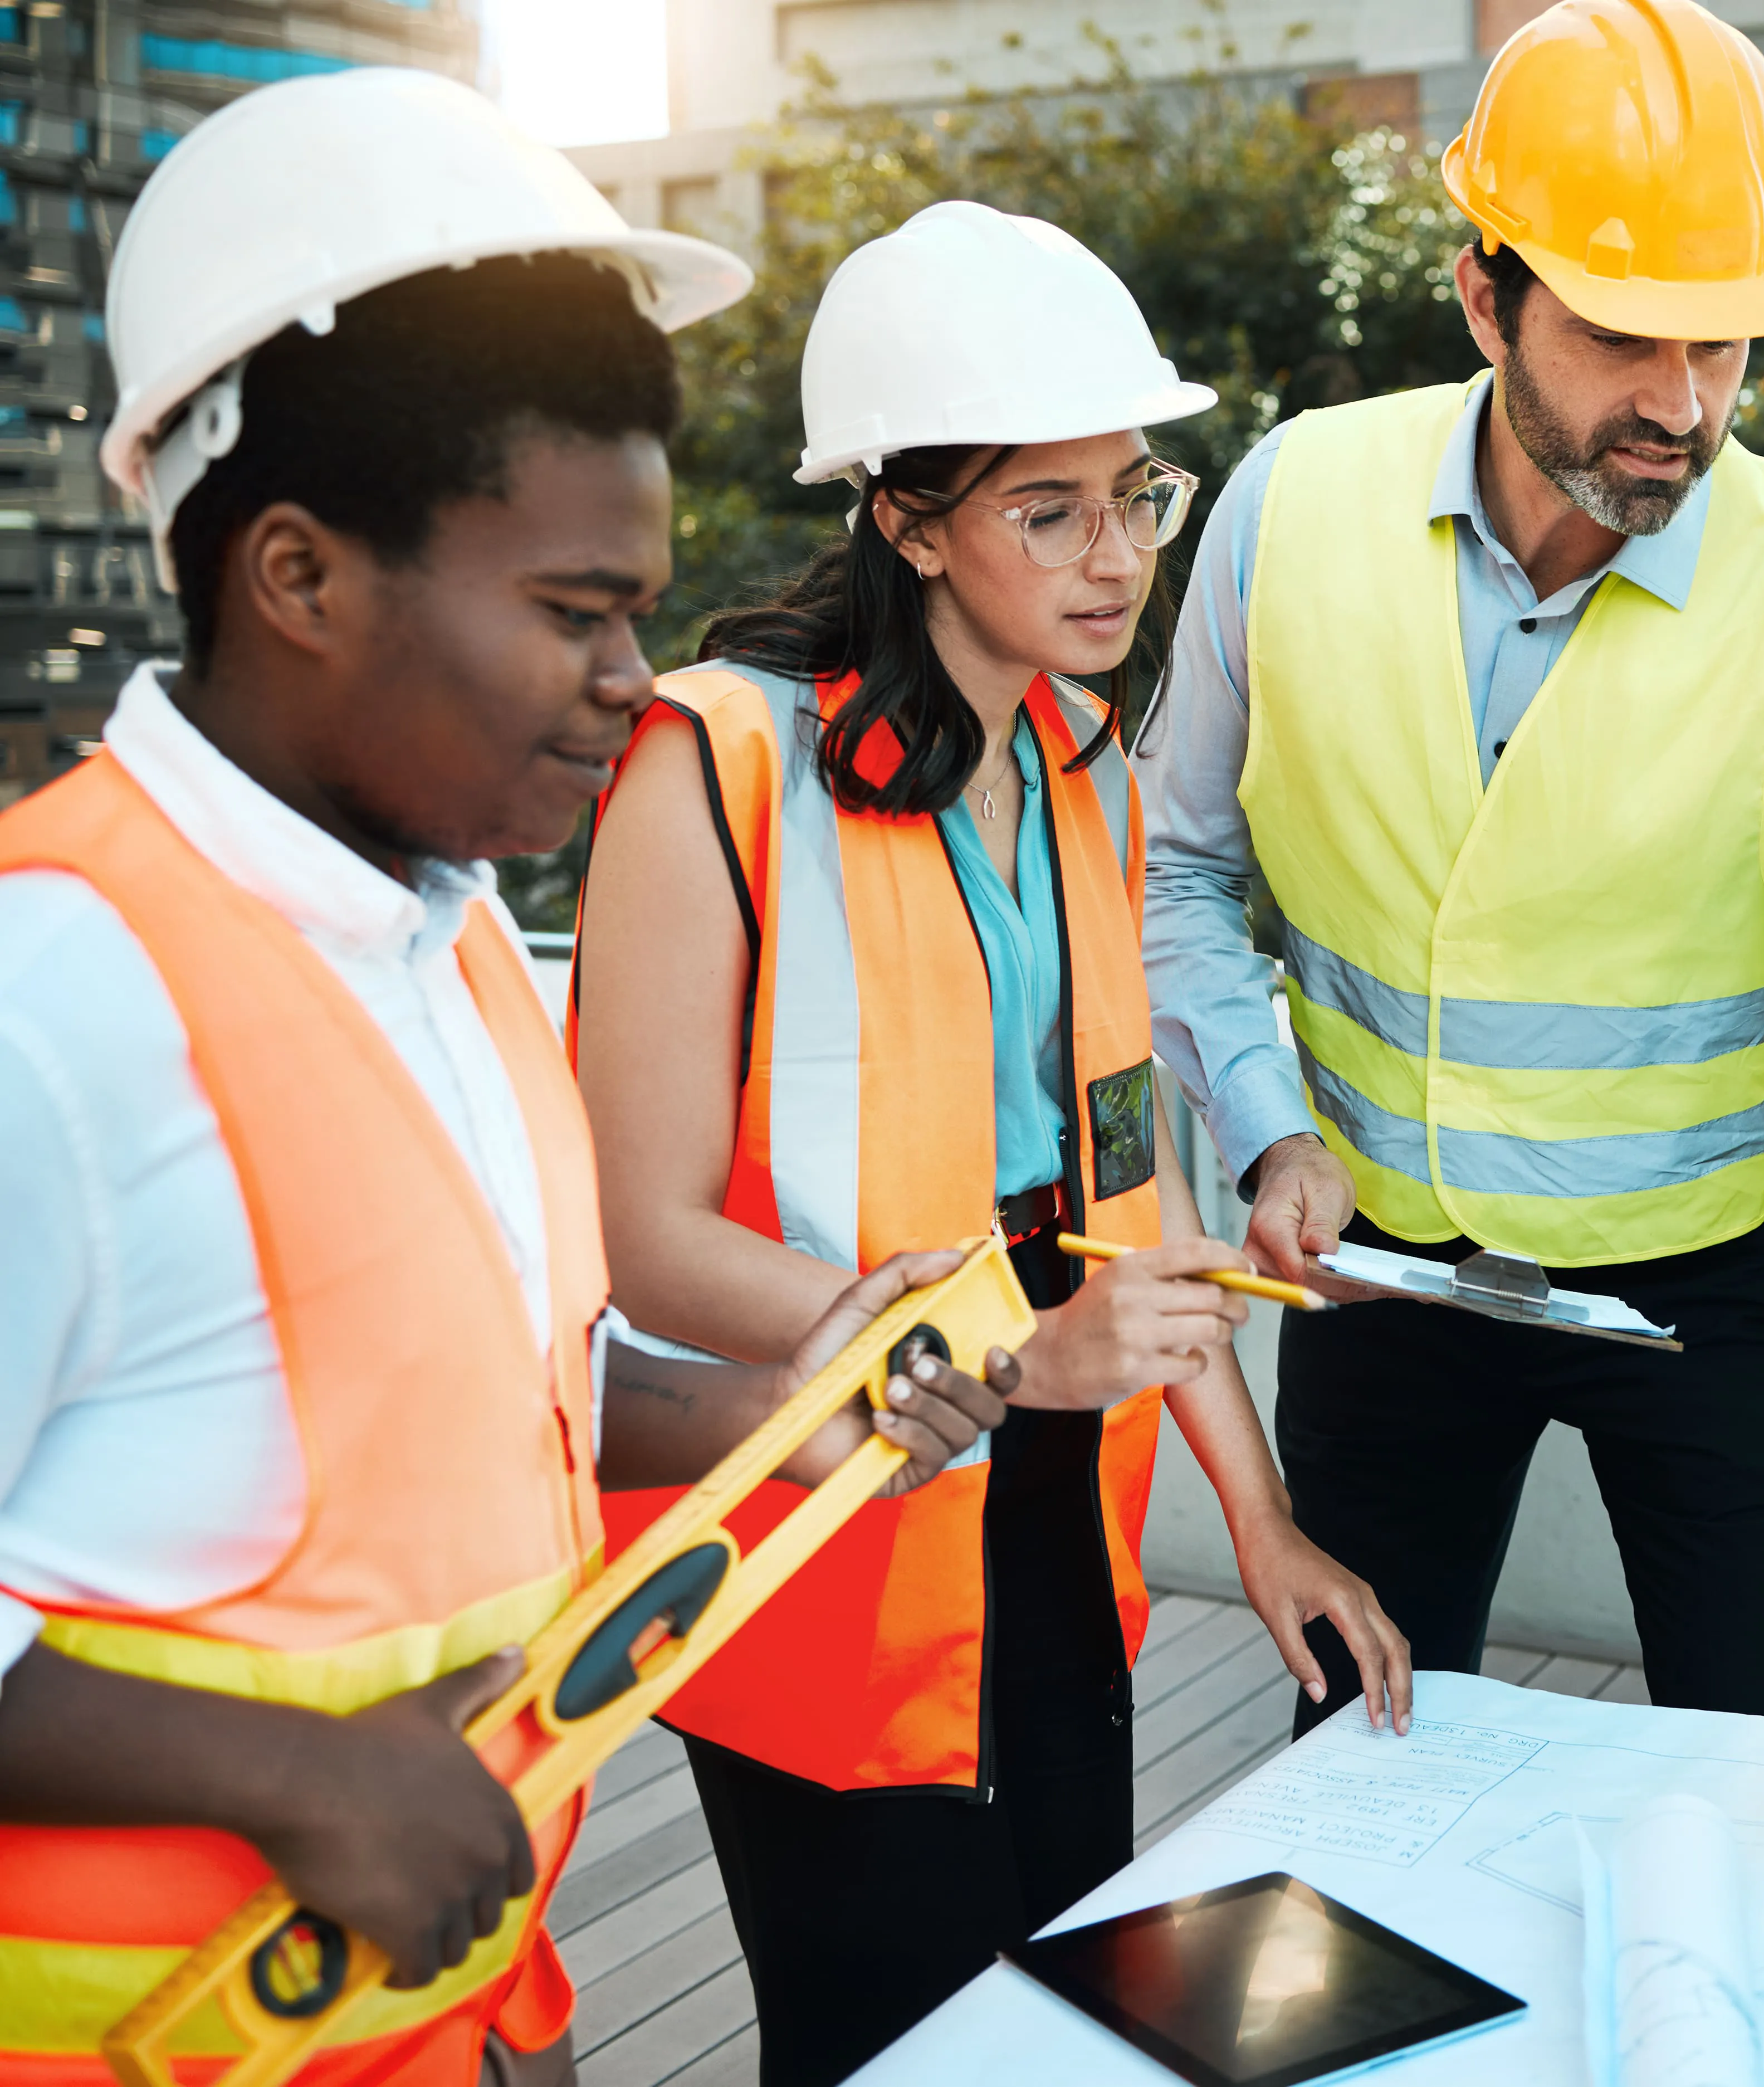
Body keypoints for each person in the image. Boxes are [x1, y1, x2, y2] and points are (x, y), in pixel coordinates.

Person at [0, 70, 1018, 2087]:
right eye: (575, 615)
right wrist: (289, 1778)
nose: (635, 680)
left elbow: (493, 1389)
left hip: (462, 2017)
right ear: (297, 578)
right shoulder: (60, 990)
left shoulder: (450, 926)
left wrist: (784, 1410)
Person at [1138, 0, 1764, 1735]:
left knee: (1756, 1767)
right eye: (1626, 337)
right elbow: (1172, 876)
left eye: (1727, 346)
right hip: (1385, 1270)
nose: (1680, 408)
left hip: (1712, 1289)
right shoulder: (1286, 508)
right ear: (1485, 298)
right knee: (1363, 1772)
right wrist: (1269, 1120)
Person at [573, 198, 1409, 2087]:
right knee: (884, 2053)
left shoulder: (1085, 760)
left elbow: (1130, 1182)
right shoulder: (711, 758)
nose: (1117, 559)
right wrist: (1014, 1353)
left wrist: (1259, 1522)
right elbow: (641, 1239)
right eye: (1052, 511)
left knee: (1065, 2040)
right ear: (907, 514)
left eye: (1138, 495)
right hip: (825, 1523)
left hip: (1054, 1522)